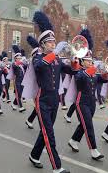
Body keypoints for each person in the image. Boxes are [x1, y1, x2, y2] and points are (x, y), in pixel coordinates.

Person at [29, 11, 72, 173]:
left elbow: (70, 71)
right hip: (43, 101)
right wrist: (55, 53)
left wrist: (75, 61)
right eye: (50, 43)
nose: (53, 44)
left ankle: (34, 155)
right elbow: (39, 67)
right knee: (49, 134)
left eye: (54, 42)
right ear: (42, 45)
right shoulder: (38, 58)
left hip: (54, 100)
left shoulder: (57, 59)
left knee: (45, 131)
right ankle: (57, 167)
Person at [67, 29, 107, 160]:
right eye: (88, 61)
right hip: (81, 102)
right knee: (88, 125)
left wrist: (107, 70)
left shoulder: (93, 73)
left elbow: (105, 79)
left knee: (83, 124)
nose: (91, 63)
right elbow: (80, 78)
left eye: (91, 61)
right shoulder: (79, 72)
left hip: (91, 103)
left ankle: (73, 140)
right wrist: (91, 69)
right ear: (83, 62)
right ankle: (94, 150)